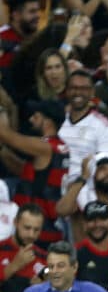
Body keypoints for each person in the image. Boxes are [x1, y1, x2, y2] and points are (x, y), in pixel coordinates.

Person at [6, 100, 70, 247]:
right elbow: (24, 171)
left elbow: (9, 137)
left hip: (38, 231)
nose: (30, 120)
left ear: (47, 121)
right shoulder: (59, 146)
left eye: (35, 116)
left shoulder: (45, 147)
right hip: (47, 226)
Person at [58, 70, 108, 186]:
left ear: (92, 92)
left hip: (85, 189)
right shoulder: (55, 120)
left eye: (84, 88)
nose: (78, 92)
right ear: (66, 90)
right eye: (73, 87)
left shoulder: (105, 128)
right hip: (52, 184)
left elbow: (107, 171)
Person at [0, 204, 47, 292]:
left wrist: (45, 286)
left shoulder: (44, 257)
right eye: (27, 228)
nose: (31, 235)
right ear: (15, 223)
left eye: (36, 230)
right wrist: (14, 266)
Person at [75, 201, 108, 290]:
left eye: (102, 219)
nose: (97, 224)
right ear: (84, 224)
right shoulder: (76, 253)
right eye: (91, 220)